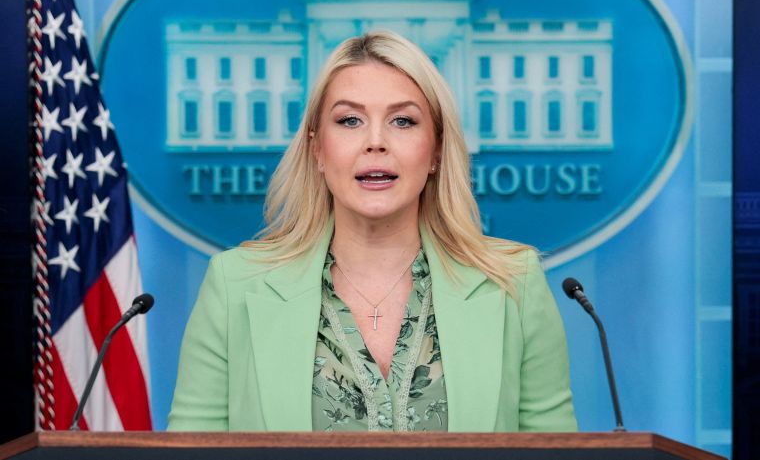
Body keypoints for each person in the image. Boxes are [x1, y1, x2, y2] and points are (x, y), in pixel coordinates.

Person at [167, 30, 577, 432]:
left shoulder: (512, 283)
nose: (375, 141)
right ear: (317, 149)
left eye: (403, 120)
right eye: (349, 120)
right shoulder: (235, 283)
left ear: (435, 150)